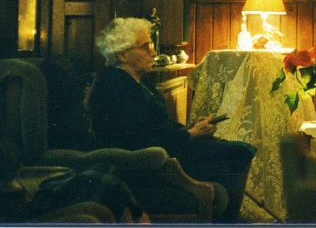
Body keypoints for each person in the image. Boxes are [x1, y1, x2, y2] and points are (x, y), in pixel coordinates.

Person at [87, 17, 256, 222]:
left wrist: (192, 128)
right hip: (146, 166)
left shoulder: (137, 82)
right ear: (122, 54)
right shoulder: (115, 85)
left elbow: (157, 126)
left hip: (165, 150)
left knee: (236, 151)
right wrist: (190, 134)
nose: (153, 52)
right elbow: (140, 139)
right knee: (236, 153)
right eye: (145, 47)